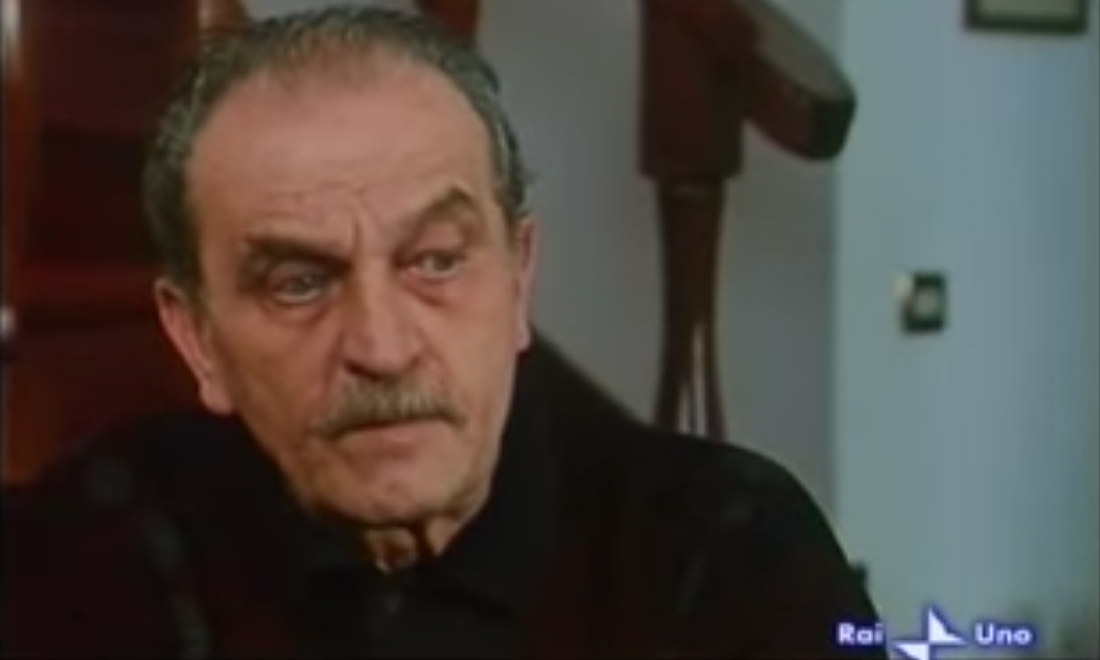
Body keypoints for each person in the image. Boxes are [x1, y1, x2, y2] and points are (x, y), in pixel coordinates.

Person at [1, 7, 884, 658]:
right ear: (197, 337)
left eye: (435, 262)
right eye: (299, 284)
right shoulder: (95, 553)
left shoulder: (727, 553)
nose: (382, 349)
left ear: (518, 277)